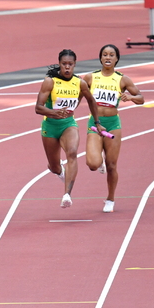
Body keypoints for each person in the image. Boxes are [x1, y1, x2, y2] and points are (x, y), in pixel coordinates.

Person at [35, 49, 104, 208]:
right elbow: (38, 108)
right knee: (54, 167)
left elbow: (92, 101)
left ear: (75, 65)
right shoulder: (50, 81)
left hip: (68, 124)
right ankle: (59, 170)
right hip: (50, 127)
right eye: (64, 64)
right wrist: (54, 112)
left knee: (72, 153)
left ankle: (67, 194)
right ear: (59, 64)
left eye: (70, 65)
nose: (67, 68)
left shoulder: (80, 83)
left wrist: (97, 122)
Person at [83, 44, 144, 213]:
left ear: (117, 58)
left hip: (113, 124)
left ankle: (110, 198)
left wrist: (130, 96)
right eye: (104, 54)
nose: (108, 57)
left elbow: (141, 98)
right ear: (100, 58)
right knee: (92, 164)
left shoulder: (122, 79)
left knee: (112, 165)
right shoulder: (90, 77)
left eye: (111, 55)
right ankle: (98, 160)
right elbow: (75, 93)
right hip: (95, 123)